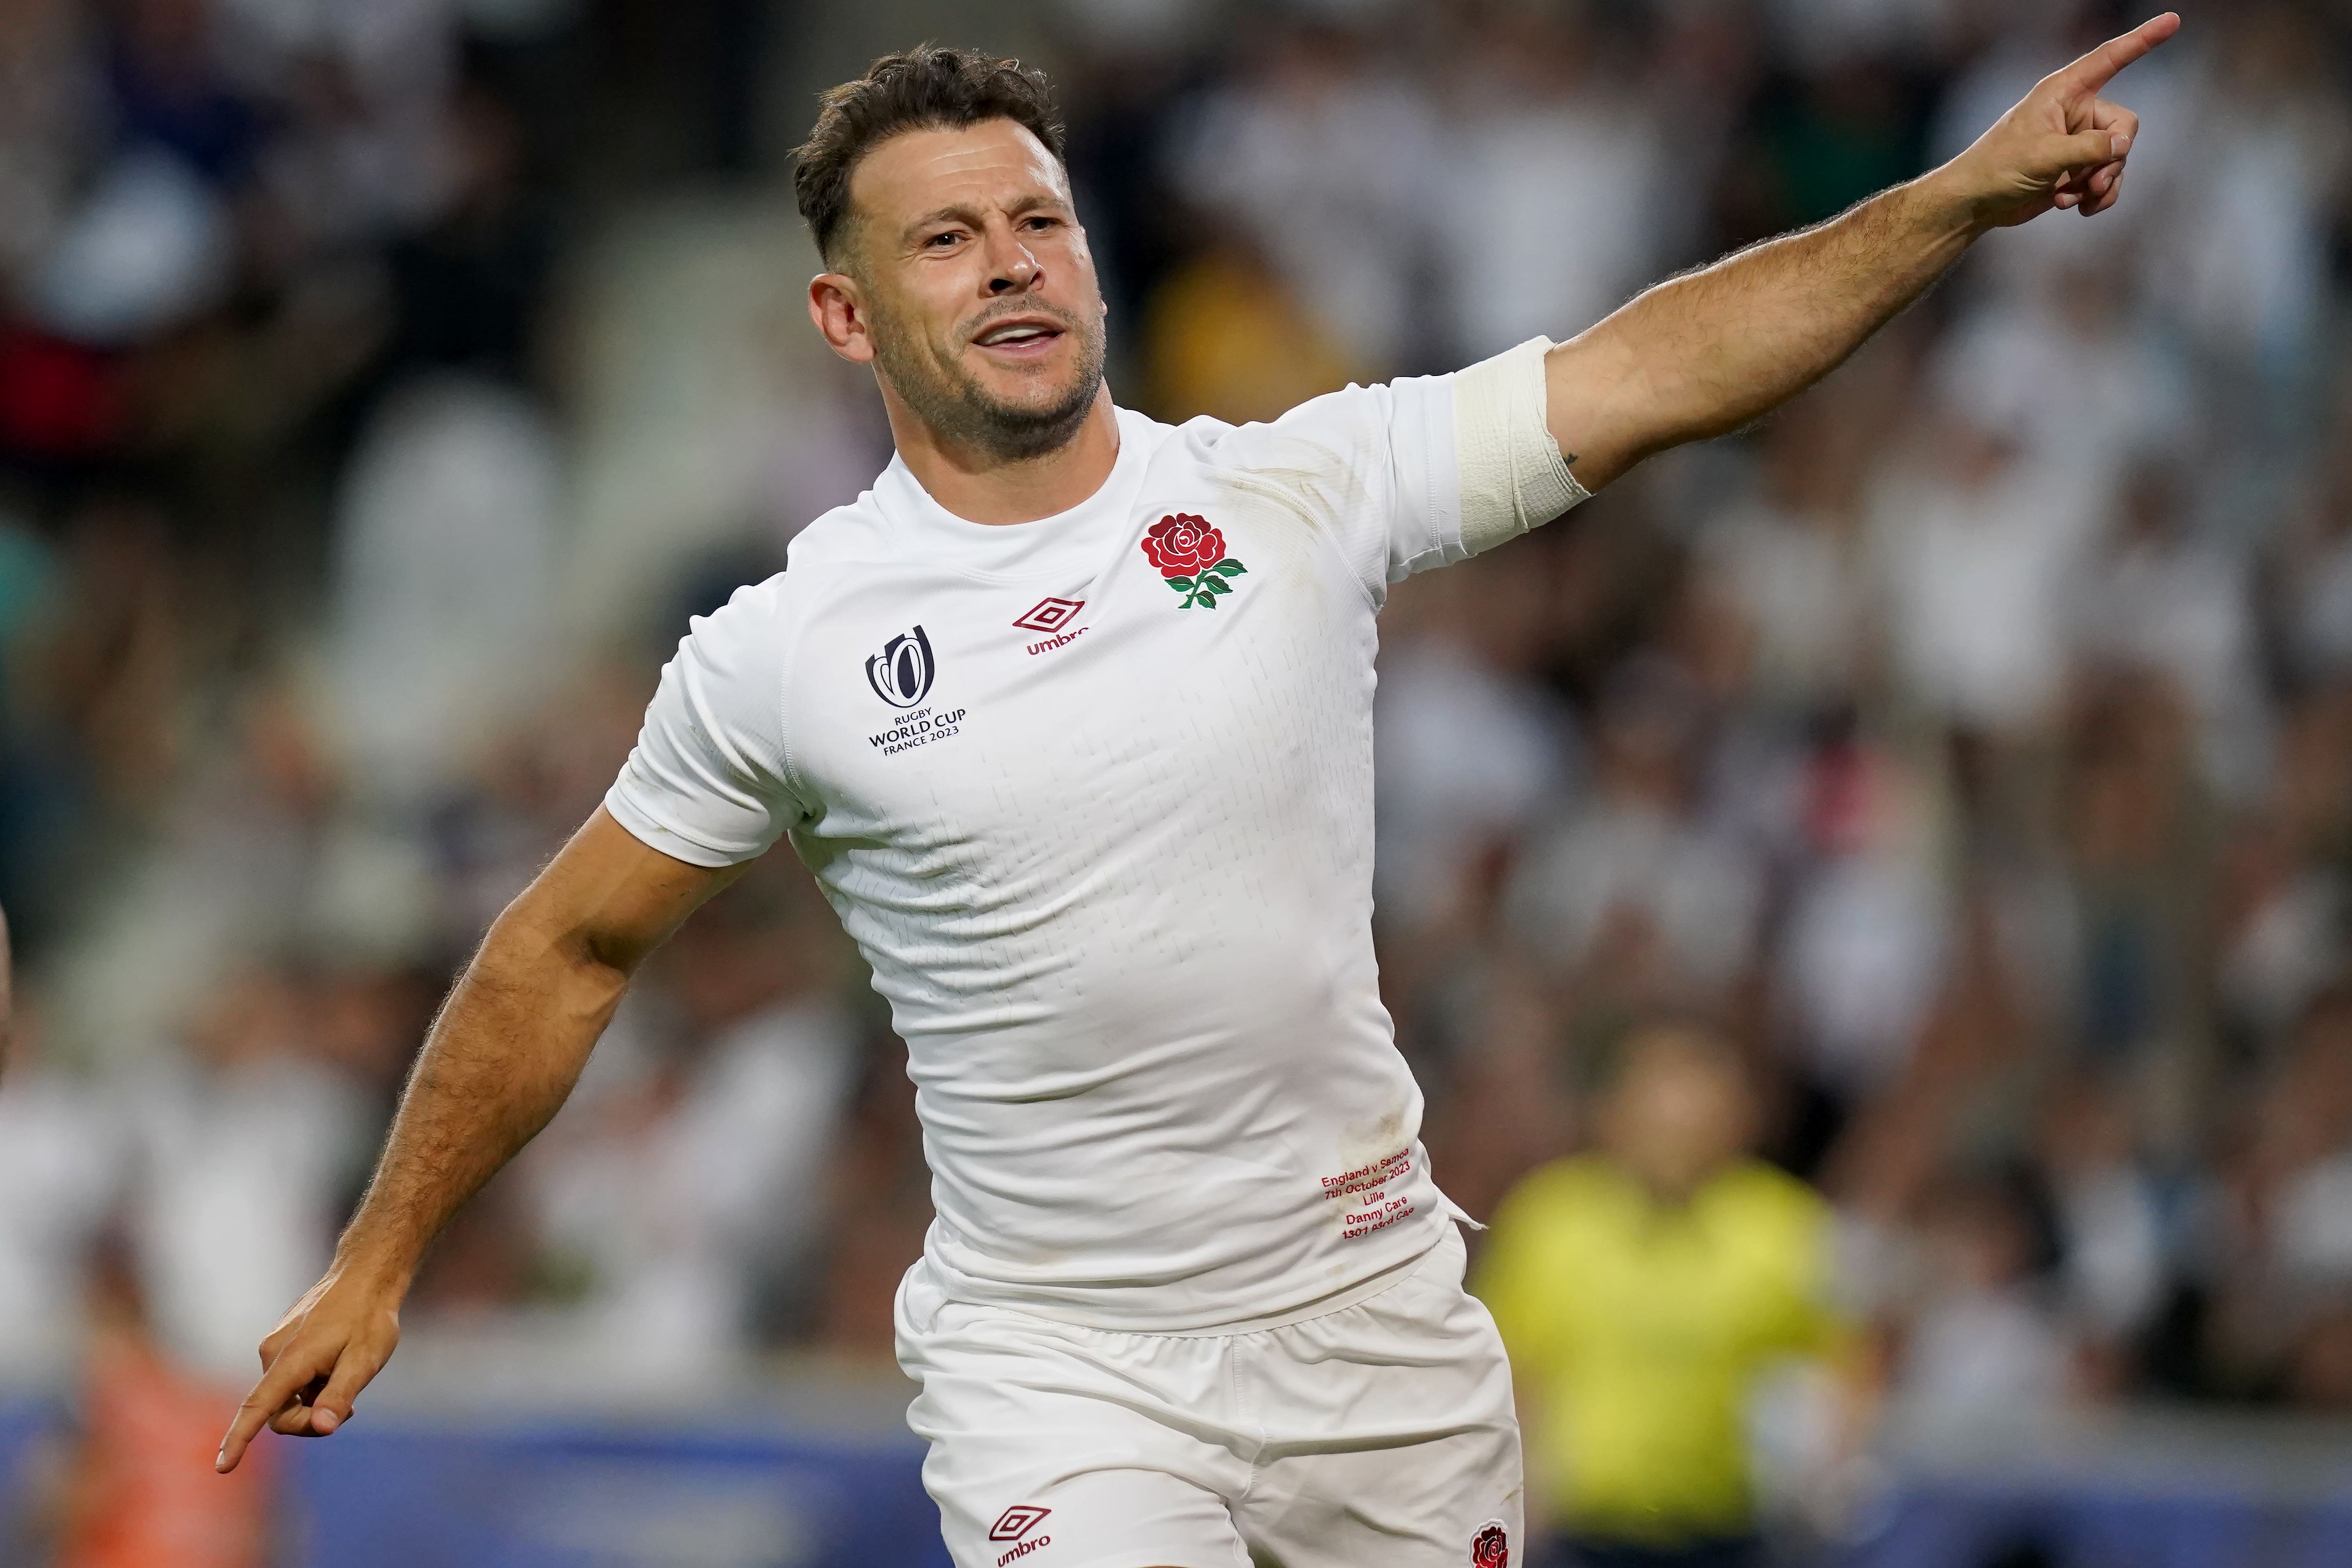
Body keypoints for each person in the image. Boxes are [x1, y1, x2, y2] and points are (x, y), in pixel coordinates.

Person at [217, 19, 2180, 1568]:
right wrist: (379, 1255)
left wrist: (1953, 199)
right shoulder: (785, 647)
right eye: (947, 238)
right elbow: (570, 937)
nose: (1011, 268)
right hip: (1058, 1356)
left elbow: (1650, 370)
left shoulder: (1289, 487)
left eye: (1038, 222)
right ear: (847, 316)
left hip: (1372, 1326)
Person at [1476, 1027, 1852, 1568]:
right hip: (1579, 1536)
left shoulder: (1785, 1229)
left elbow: (1845, 1363)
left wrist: (1822, 1477)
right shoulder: (1551, 1219)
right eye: (1656, 1115)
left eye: (1694, 1117)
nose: (1673, 1135)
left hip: (1736, 1535)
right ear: (1611, 1114)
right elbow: (1511, 1367)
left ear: (1738, 1120)